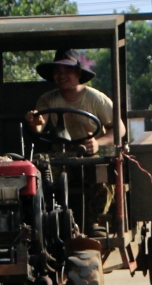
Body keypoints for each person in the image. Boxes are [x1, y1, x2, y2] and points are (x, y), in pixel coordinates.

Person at [24, 48, 126, 235]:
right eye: (57, 72)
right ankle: (45, 222)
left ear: (78, 73)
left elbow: (119, 129)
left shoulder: (96, 98)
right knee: (38, 173)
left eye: (67, 71)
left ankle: (96, 221)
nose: (62, 76)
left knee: (102, 172)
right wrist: (34, 123)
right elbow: (39, 126)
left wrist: (97, 143)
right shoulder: (47, 100)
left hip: (90, 154)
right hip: (60, 154)